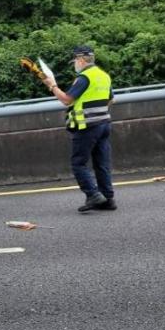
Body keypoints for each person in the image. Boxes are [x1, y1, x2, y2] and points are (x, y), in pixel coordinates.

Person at [43, 46, 117, 212]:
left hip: (87, 126)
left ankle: (93, 195)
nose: (74, 64)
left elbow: (67, 100)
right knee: (102, 163)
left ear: (81, 60)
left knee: (78, 163)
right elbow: (111, 100)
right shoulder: (104, 75)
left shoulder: (84, 77)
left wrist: (52, 86)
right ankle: (108, 199)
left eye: (75, 61)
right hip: (104, 124)